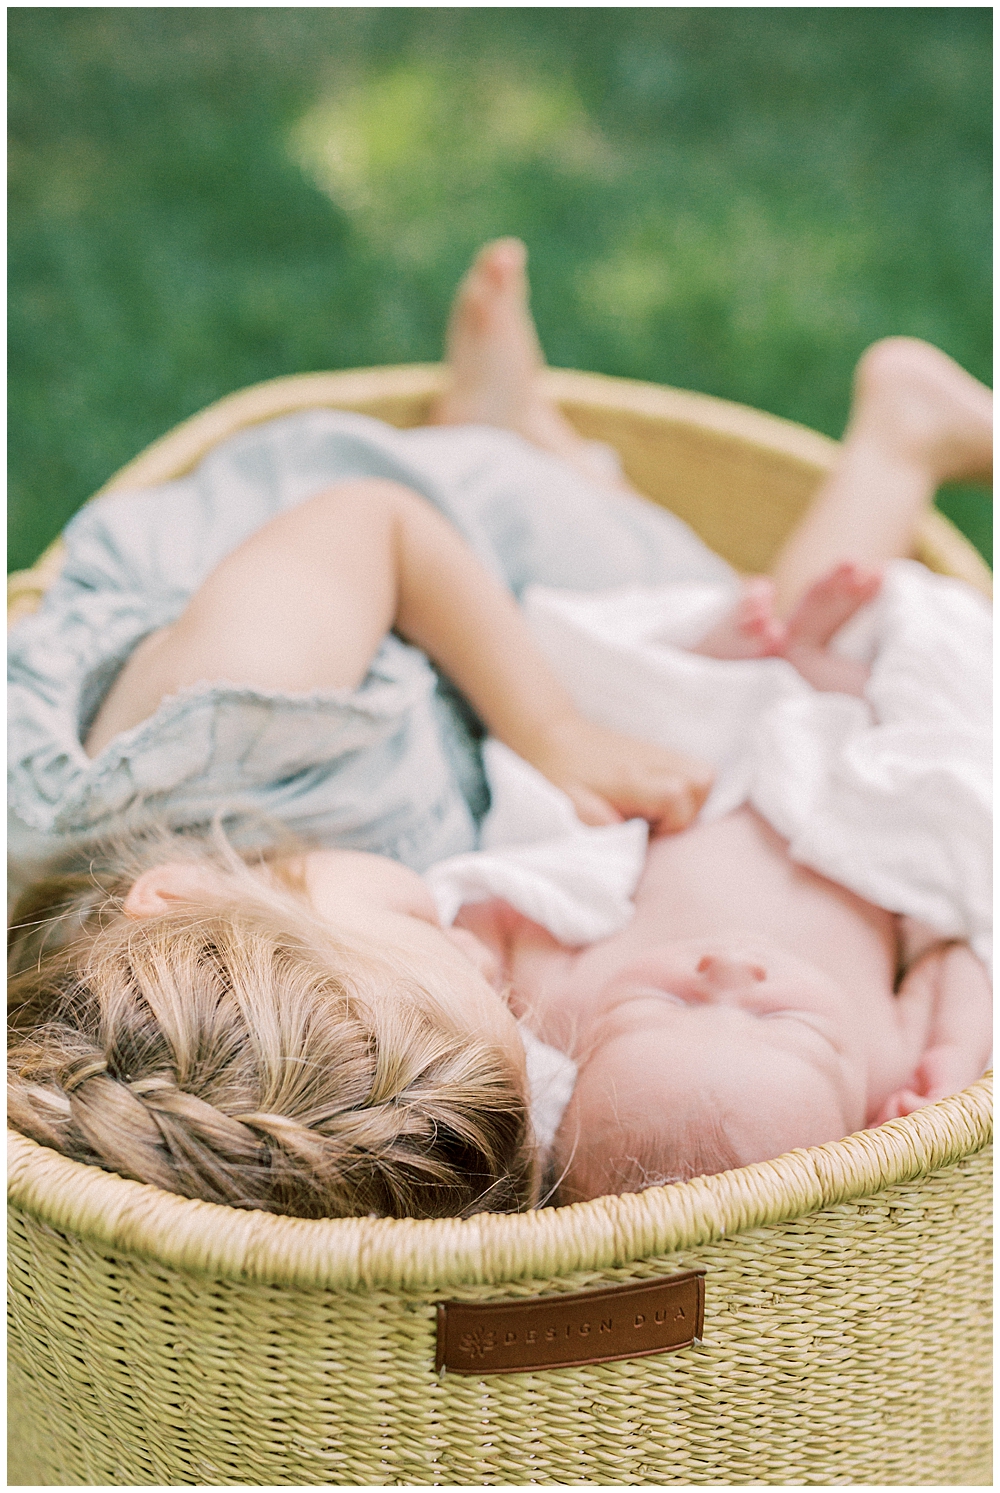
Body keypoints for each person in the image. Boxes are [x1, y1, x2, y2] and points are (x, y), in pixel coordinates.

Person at [7, 240, 992, 1216]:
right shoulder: (295, 989)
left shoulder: (231, 703)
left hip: (437, 539)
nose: (481, 951)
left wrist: (553, 726)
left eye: (420, 929)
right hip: (435, 695)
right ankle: (523, 427)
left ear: (178, 891)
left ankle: (542, 446)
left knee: (695, 612)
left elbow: (375, 522)